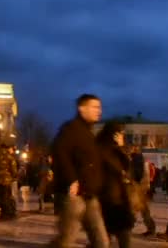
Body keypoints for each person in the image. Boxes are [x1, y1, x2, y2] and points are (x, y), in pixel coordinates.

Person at [50, 94, 109, 248]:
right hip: (74, 196)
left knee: (102, 242)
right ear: (82, 108)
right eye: (95, 107)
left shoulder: (89, 133)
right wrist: (71, 179)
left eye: (99, 107)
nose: (99, 111)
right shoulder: (71, 129)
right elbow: (58, 152)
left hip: (90, 196)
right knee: (65, 241)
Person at [96, 122, 134, 248]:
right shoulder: (101, 149)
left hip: (119, 199)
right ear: (113, 134)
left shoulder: (116, 150)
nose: (122, 136)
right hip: (108, 199)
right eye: (120, 134)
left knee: (122, 236)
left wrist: (120, 148)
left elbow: (126, 167)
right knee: (105, 239)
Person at [129, 146, 156, 236]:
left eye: (133, 149)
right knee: (143, 210)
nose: (131, 150)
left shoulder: (136, 160)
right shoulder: (141, 160)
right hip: (141, 188)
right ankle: (151, 228)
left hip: (138, 188)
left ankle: (127, 229)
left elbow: (138, 175)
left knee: (133, 209)